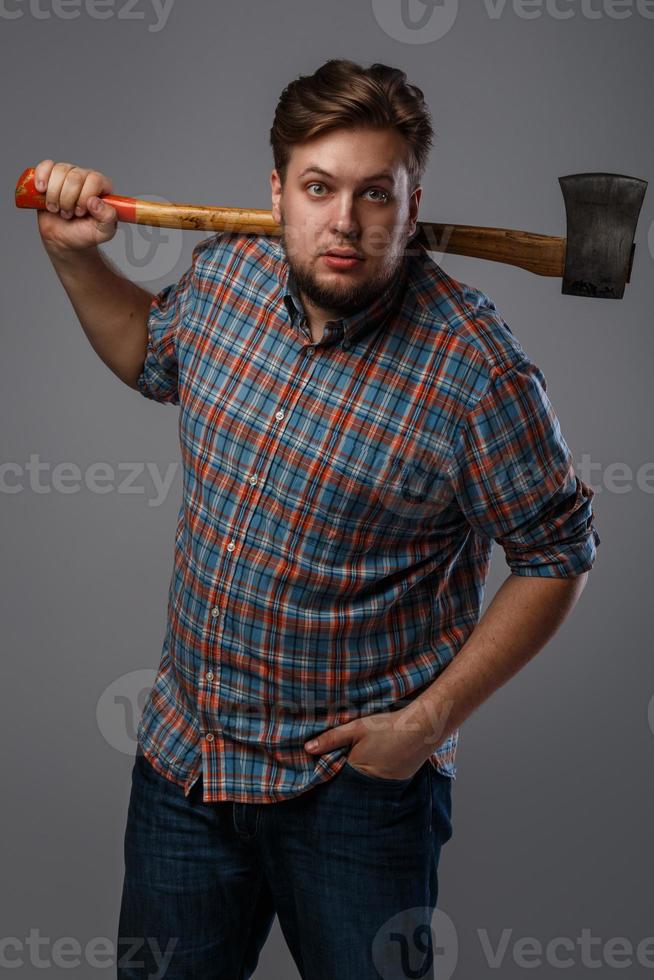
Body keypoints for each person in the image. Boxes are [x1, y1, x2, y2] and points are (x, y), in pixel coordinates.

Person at [34, 58, 599, 980]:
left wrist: (427, 724)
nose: (344, 222)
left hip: (352, 796)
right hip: (187, 765)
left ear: (413, 203)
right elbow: (150, 355)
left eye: (376, 194)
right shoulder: (225, 282)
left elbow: (558, 554)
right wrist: (73, 252)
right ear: (278, 192)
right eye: (319, 188)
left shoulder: (478, 373)